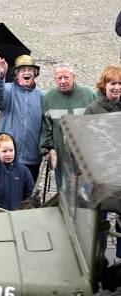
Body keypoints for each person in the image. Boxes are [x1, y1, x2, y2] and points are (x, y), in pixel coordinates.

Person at [84, 65, 121, 263]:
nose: (117, 87)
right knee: (99, 220)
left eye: (120, 83)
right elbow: (85, 141)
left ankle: (120, 258)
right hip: (100, 176)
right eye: (112, 83)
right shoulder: (93, 109)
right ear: (104, 85)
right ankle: (97, 259)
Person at [39, 63, 96, 189]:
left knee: (86, 195)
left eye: (66, 77)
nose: (63, 81)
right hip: (62, 159)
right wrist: (47, 149)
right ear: (55, 79)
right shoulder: (49, 98)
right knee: (64, 194)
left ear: (73, 76)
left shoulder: (89, 95)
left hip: (84, 159)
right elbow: (46, 128)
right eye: (59, 78)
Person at [0, 54, 43, 182]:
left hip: (32, 158)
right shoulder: (8, 89)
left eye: (30, 69)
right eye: (23, 69)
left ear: (34, 73)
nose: (27, 72)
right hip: (7, 155)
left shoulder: (41, 96)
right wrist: (1, 75)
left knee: (27, 195)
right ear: (16, 74)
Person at [0, 133, 34, 210]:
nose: (8, 154)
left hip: (17, 214)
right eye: (4, 151)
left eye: (11, 150)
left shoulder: (23, 170)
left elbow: (30, 193)